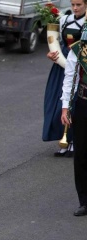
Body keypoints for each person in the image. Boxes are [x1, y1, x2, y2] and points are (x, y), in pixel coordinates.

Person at [42, 0, 87, 157]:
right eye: (73, 4)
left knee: (76, 102)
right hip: (61, 66)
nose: (75, 8)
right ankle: (63, 140)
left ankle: (74, 141)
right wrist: (52, 55)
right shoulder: (64, 20)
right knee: (57, 103)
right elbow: (58, 44)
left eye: (79, 5)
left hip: (80, 66)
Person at [61, 14, 87, 216]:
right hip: (83, 102)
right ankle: (84, 201)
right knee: (81, 154)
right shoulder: (79, 48)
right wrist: (65, 107)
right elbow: (70, 75)